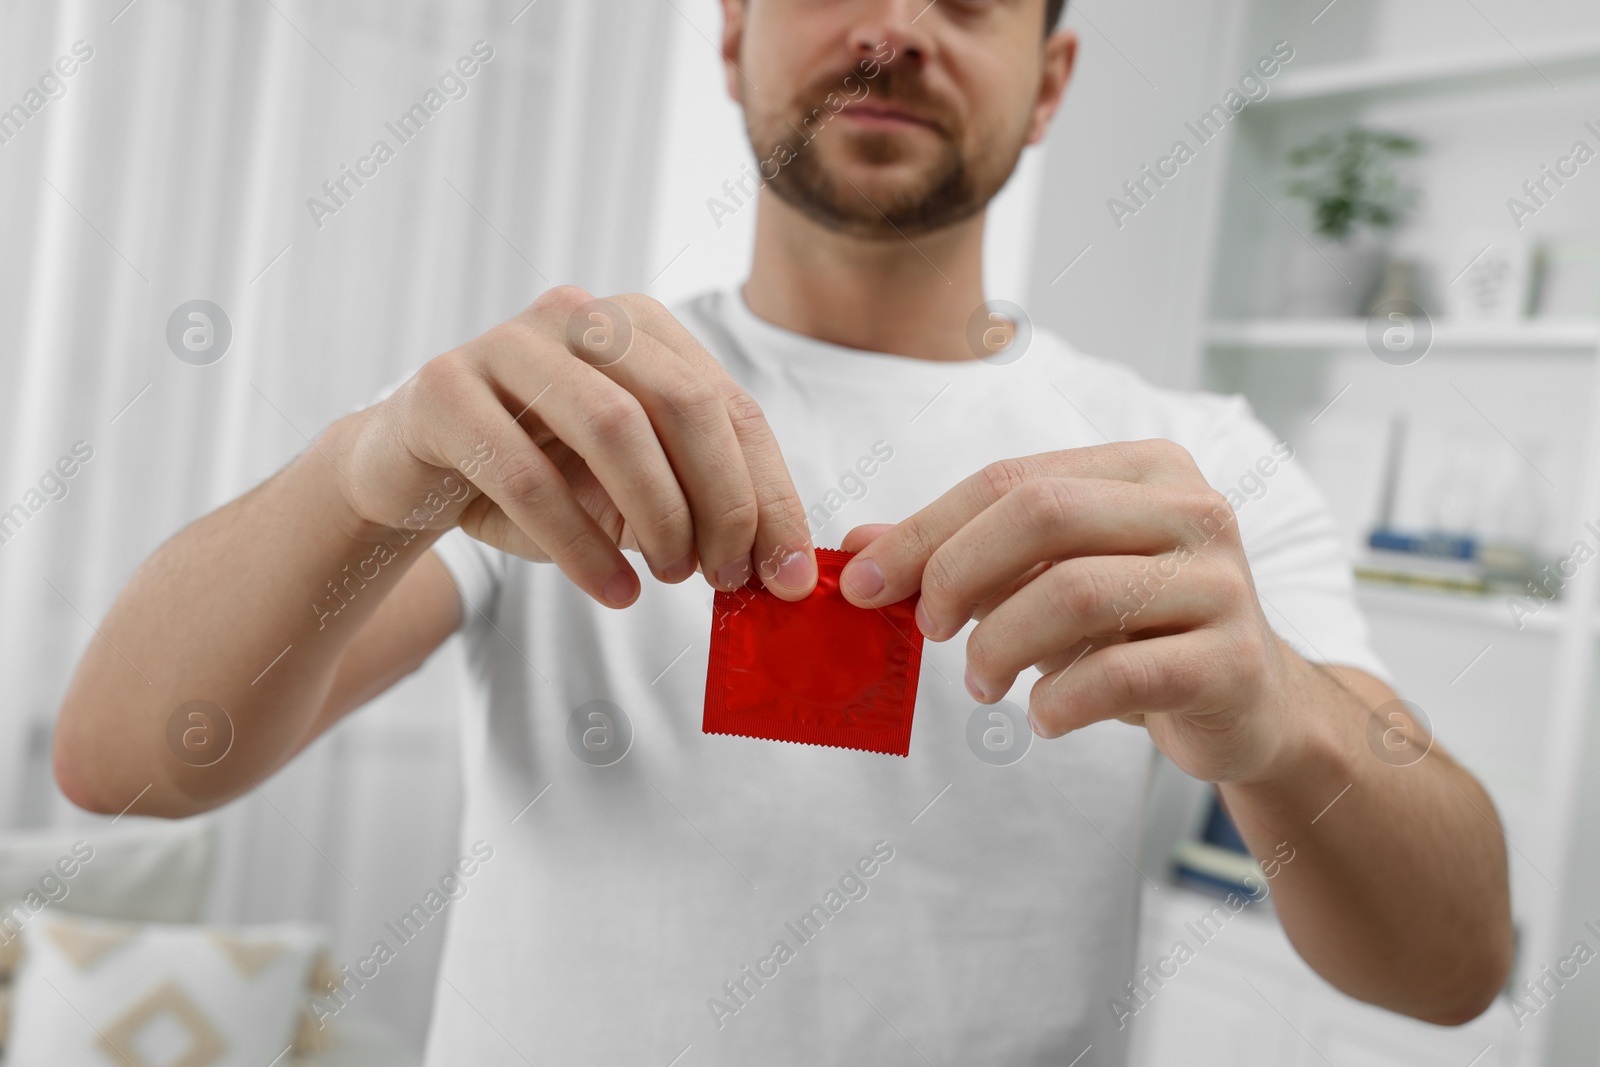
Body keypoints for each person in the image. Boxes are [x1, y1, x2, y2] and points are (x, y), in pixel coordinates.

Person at [54, 0, 1512, 1062]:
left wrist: (1281, 721)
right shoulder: (552, 410)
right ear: (732, 30)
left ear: (1053, 80)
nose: (894, 28)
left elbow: (1458, 970)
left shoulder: (1201, 475)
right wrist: (361, 474)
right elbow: (121, 766)